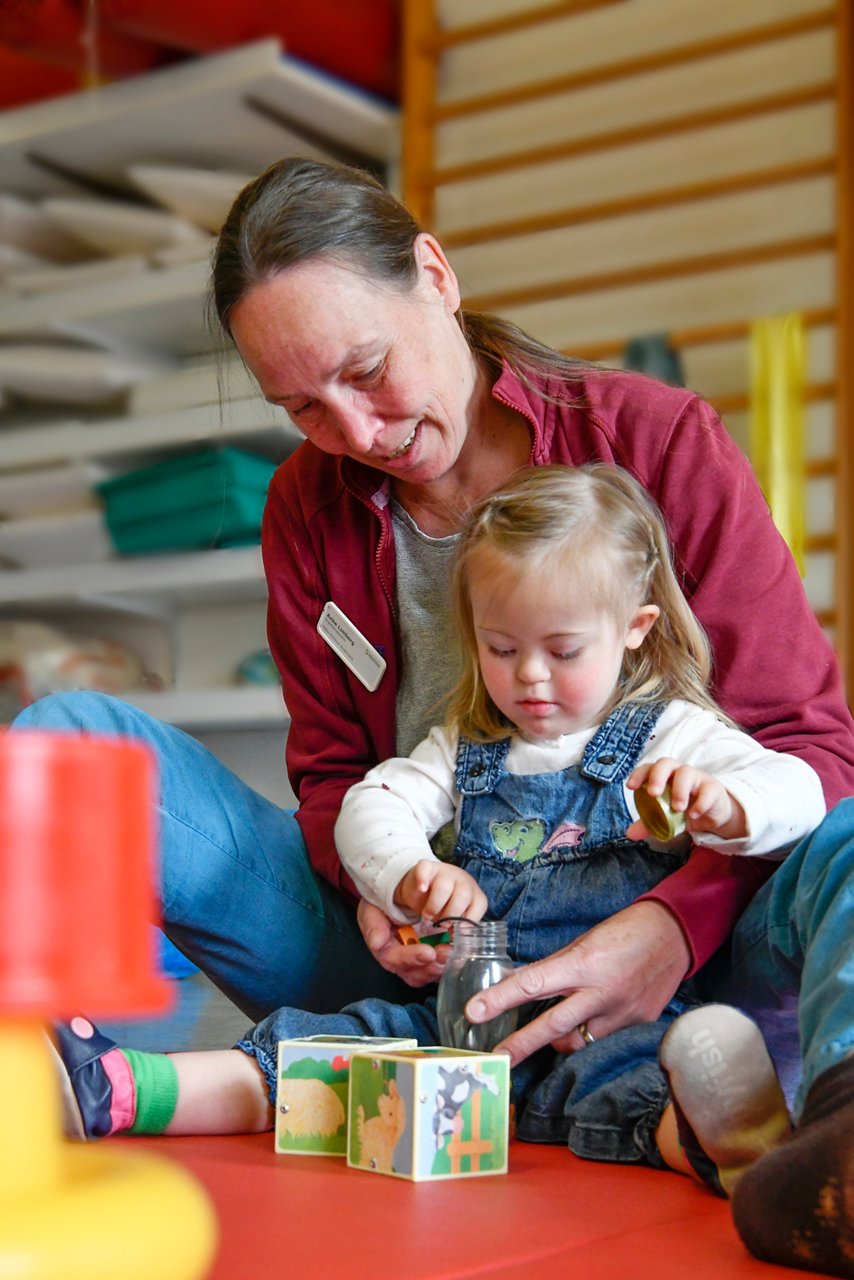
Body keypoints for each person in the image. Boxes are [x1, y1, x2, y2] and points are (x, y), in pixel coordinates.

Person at [15, 157, 854, 1087]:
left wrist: (669, 929)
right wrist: (378, 885)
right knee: (67, 741)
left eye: (368, 370)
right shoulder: (307, 503)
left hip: (683, 972)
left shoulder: (656, 442)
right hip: (422, 976)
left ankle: (831, 1133)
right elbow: (334, 775)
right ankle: (47, 1090)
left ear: (437, 276)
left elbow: (808, 748)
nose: (359, 434)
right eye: (301, 408)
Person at [53, 461, 823, 1167]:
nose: (529, 677)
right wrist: (408, 875)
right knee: (326, 1051)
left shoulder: (673, 731)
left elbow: (800, 791)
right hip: (457, 1027)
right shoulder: (467, 747)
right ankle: (121, 1089)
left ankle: (737, 1149)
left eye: (562, 651)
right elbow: (372, 805)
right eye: (501, 648)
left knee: (642, 1091)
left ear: (635, 630)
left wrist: (727, 805)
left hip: (609, 1030)